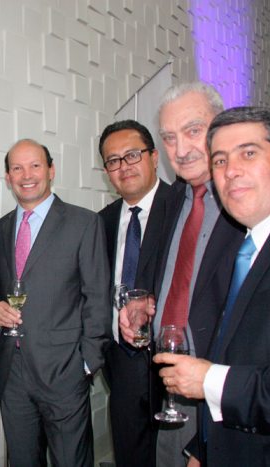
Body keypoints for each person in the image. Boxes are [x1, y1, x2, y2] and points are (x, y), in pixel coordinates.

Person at [155, 106, 270, 466]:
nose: (230, 170)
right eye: (220, 160)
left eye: (248, 153)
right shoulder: (251, 243)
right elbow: (242, 353)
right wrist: (203, 447)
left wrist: (212, 382)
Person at [126, 82, 245, 466]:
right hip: (171, 382)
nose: (180, 150)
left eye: (193, 131)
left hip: (226, 391)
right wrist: (148, 304)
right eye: (169, 137)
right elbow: (176, 274)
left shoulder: (247, 199)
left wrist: (207, 442)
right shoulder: (174, 198)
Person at [0, 138, 111, 467]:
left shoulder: (84, 223)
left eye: (35, 165)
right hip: (11, 373)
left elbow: (97, 297)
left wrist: (86, 364)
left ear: (51, 170)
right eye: (17, 168)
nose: (26, 175)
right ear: (8, 177)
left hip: (64, 372)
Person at [98, 120, 170, 467]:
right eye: (113, 160)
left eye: (132, 155)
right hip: (121, 361)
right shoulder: (102, 221)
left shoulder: (183, 207)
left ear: (154, 157)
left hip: (173, 359)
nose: (123, 166)